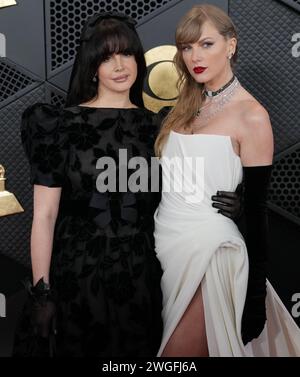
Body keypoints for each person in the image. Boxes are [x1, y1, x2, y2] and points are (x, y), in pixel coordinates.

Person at [13, 11, 240, 357]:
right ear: (92, 67)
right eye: (107, 57)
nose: (119, 65)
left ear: (139, 58)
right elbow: (44, 215)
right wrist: (42, 293)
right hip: (77, 278)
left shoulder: (162, 129)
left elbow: (182, 199)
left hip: (142, 280)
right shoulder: (57, 126)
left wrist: (231, 206)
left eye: (127, 54)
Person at [154, 4, 300, 357]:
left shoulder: (251, 115)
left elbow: (256, 209)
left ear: (230, 45)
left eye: (206, 44)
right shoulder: (183, 108)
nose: (194, 56)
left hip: (212, 251)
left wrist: (254, 297)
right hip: (169, 250)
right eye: (187, 48)